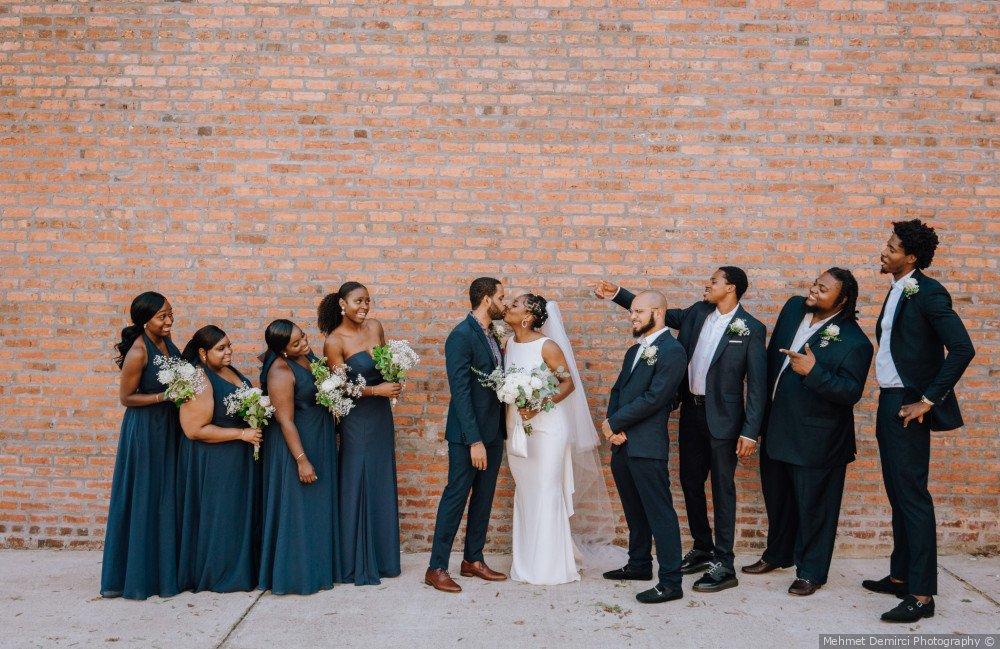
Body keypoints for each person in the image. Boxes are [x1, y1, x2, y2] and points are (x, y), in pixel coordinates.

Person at [595, 267, 766, 593]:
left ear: (730, 288)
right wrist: (619, 293)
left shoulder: (751, 329)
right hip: (692, 413)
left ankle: (724, 563)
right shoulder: (696, 313)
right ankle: (702, 547)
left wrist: (750, 430)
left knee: (722, 486)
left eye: (713, 280)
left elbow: (757, 384)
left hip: (725, 419)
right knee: (690, 481)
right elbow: (654, 313)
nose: (707, 283)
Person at [863, 220, 975, 623]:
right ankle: (900, 576)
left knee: (912, 497)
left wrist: (927, 400)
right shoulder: (897, 289)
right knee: (897, 492)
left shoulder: (927, 292)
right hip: (890, 400)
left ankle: (922, 596)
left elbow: (963, 348)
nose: (884, 251)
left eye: (891, 247)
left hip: (910, 403)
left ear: (910, 257)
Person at [742, 269, 873, 597]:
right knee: (778, 499)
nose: (813, 291)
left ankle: (811, 572)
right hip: (776, 429)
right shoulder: (793, 308)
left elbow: (850, 392)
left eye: (823, 289)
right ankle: (777, 554)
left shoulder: (855, 341)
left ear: (842, 300)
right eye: (815, 283)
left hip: (819, 441)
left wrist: (814, 372)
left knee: (816, 509)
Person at [600, 291, 688, 604]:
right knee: (635, 511)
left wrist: (616, 423)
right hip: (622, 444)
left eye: (638, 312)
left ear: (658, 312)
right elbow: (618, 389)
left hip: (648, 446)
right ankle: (638, 564)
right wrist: (614, 426)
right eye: (632, 312)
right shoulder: (635, 350)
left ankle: (671, 582)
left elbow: (656, 398)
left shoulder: (672, 350)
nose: (632, 316)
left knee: (660, 513)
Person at [425, 278, 508, 593]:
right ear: (487, 300)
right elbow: (460, 392)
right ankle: (436, 567)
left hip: (493, 431)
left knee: (484, 498)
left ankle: (473, 559)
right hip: (467, 435)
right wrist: (474, 440)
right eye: (502, 296)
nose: (505, 301)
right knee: (456, 496)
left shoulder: (491, 333)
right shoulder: (460, 336)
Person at [319, 282, 403, 586]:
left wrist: (394, 381)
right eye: (358, 301)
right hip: (357, 418)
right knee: (358, 477)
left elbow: (385, 365)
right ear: (343, 303)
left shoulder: (376, 327)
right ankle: (354, 559)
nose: (364, 306)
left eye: (367, 301)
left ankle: (383, 558)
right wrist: (375, 390)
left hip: (381, 416)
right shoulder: (334, 341)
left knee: (379, 476)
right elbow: (340, 387)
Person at [101, 292, 181, 600]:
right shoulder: (138, 351)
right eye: (162, 317)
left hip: (168, 427)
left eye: (170, 314)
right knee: (145, 495)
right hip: (145, 429)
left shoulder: (165, 340)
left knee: (165, 494)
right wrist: (164, 397)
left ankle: (162, 570)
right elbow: (127, 398)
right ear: (144, 319)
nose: (169, 321)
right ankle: (134, 575)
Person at [176, 325, 262, 593]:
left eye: (229, 345)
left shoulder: (228, 371)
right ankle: (219, 575)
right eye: (221, 348)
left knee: (237, 514)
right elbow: (194, 430)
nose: (229, 352)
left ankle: (241, 570)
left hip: (238, 456)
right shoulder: (200, 379)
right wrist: (241, 433)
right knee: (221, 516)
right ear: (203, 353)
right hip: (214, 460)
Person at [258, 320, 341, 594]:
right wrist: (301, 460)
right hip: (298, 444)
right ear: (282, 351)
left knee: (317, 507)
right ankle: (297, 575)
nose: (304, 343)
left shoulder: (307, 357)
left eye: (303, 336)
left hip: (320, 439)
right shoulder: (280, 371)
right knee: (298, 508)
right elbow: (285, 421)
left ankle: (321, 567)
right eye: (296, 343)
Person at [502, 293, 579, 585]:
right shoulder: (509, 344)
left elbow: (568, 382)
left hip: (547, 428)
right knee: (526, 491)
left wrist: (538, 405)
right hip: (518, 427)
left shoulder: (548, 346)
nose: (508, 306)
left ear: (528, 316)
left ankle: (549, 568)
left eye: (516, 304)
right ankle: (525, 563)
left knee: (547, 490)